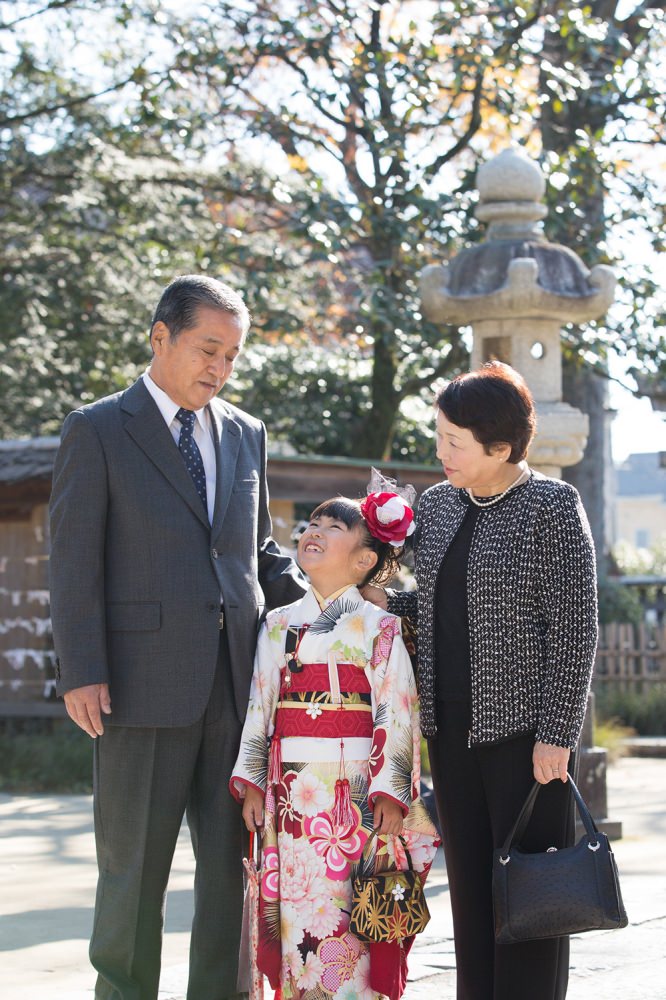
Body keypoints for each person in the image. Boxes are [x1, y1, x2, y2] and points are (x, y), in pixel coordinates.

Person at [49, 274, 306, 1000]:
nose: (219, 370)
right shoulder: (96, 429)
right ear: (160, 337)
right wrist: (82, 669)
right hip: (135, 689)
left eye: (232, 356)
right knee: (133, 875)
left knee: (232, 874)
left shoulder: (245, 432)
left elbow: (259, 555)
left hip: (236, 690)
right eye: (208, 350)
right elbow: (73, 562)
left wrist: (340, 593)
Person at [368, 362, 598, 1000]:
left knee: (529, 896)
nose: (440, 454)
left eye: (454, 443)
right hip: (453, 733)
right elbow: (439, 609)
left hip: (528, 740)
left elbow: (575, 628)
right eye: (438, 436)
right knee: (470, 892)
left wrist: (557, 734)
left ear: (501, 447)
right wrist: (377, 600)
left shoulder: (553, 506)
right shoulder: (438, 507)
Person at [230, 489, 440, 1000]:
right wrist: (254, 783)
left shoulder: (381, 627)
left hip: (359, 797)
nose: (314, 533)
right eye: (312, 524)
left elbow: (397, 710)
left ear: (366, 559)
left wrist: (392, 794)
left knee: (353, 915)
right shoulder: (278, 624)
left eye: (333, 528)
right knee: (299, 913)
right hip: (294, 796)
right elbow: (261, 704)